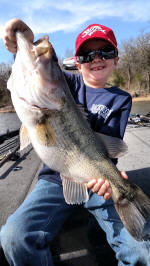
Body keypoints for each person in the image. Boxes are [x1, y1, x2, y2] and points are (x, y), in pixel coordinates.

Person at [1, 18, 149, 266]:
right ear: (77, 64)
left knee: (142, 252)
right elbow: (42, 70)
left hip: (99, 181)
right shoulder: (68, 84)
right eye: (87, 55)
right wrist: (22, 38)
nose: (96, 58)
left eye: (105, 51)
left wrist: (108, 182)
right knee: (13, 235)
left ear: (116, 59)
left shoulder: (120, 98)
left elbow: (109, 148)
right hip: (54, 180)